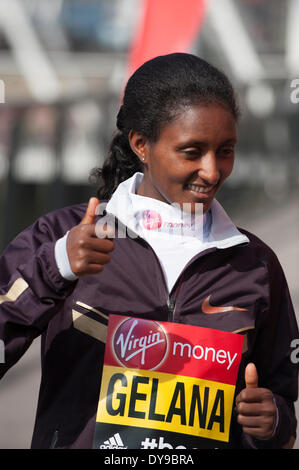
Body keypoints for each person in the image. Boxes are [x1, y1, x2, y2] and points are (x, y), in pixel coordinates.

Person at [0, 53, 298, 449]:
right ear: (141, 143)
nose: (212, 171)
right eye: (192, 152)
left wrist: (273, 419)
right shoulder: (64, 237)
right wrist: (56, 267)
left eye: (226, 150)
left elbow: (281, 408)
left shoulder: (255, 264)